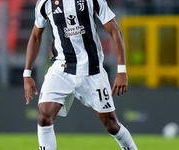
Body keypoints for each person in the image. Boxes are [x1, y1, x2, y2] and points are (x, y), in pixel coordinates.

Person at [23, 0, 138, 150]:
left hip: (91, 71)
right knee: (44, 115)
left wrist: (121, 71)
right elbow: (36, 36)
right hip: (60, 70)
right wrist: (27, 73)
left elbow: (115, 31)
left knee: (111, 125)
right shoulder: (45, 3)